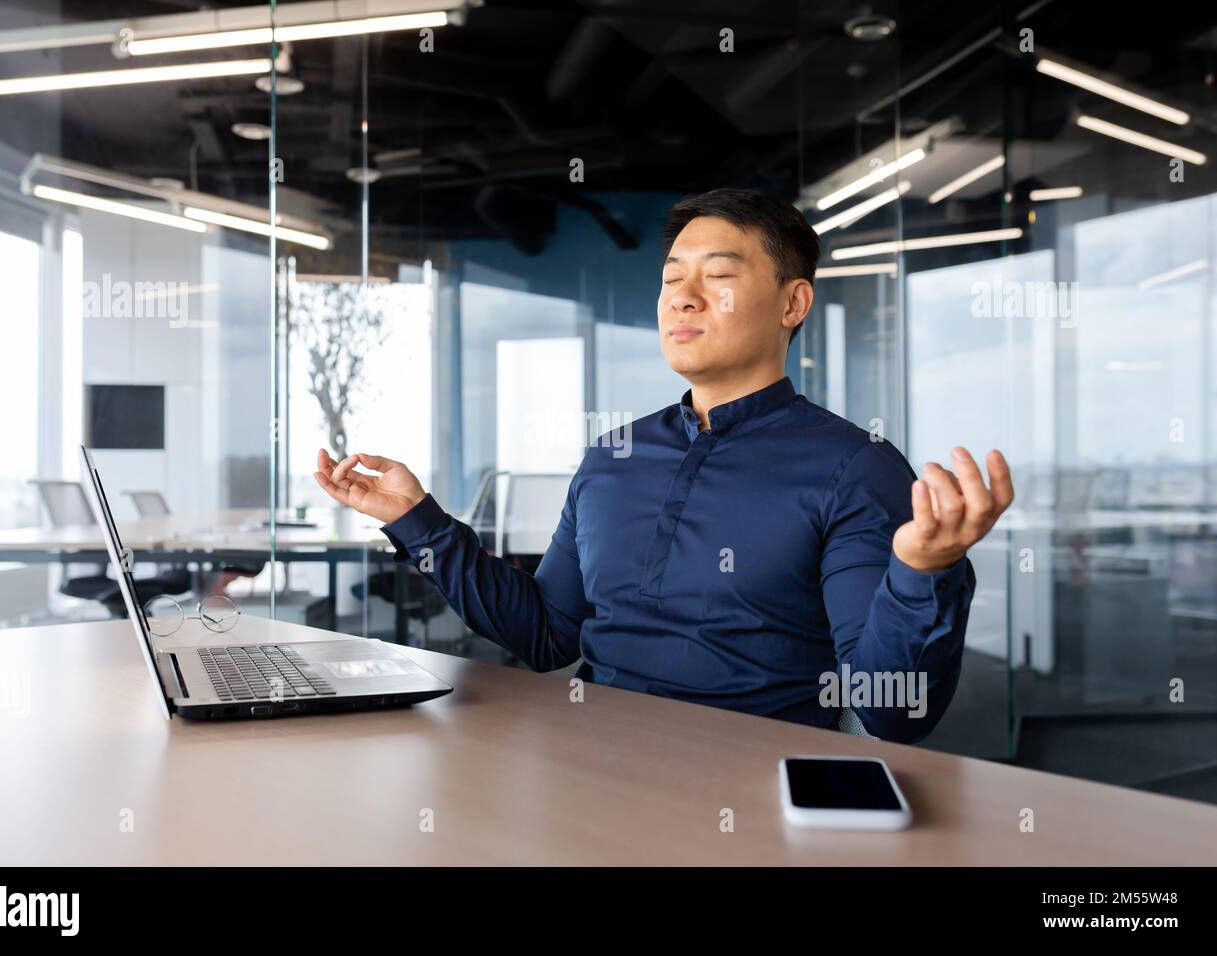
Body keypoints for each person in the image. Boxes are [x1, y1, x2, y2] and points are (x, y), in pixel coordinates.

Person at [314, 188, 1013, 743]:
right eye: (672, 278)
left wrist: (925, 572)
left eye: (719, 277)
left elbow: (895, 713)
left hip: (751, 787)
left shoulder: (857, 468)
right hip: (589, 762)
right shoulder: (613, 458)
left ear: (792, 303)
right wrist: (420, 523)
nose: (683, 295)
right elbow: (546, 634)